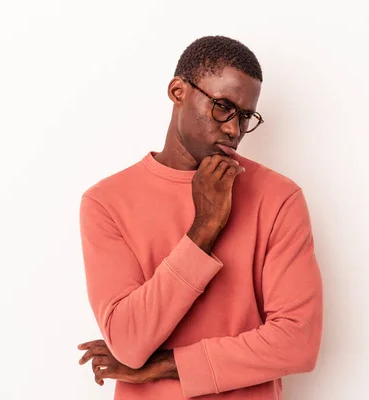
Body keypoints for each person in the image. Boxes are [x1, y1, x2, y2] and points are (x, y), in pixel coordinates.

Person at [77, 35, 323, 399]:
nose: (233, 130)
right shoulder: (106, 202)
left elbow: (297, 342)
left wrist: (163, 365)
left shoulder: (278, 197)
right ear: (178, 91)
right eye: (223, 106)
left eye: (245, 116)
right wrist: (204, 228)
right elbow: (128, 344)